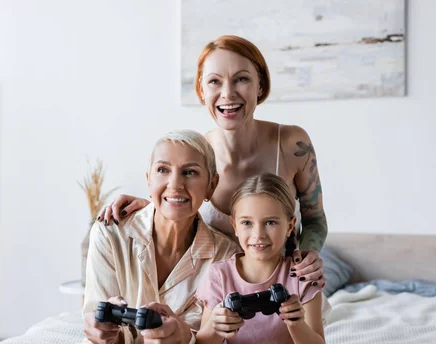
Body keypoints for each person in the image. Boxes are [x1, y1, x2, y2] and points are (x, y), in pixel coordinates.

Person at [99, 35, 327, 288]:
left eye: (241, 79)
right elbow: (180, 214)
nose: (227, 94)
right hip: (213, 298)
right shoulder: (196, 155)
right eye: (214, 82)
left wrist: (307, 254)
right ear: (201, 90)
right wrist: (148, 206)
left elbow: (315, 219)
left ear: (260, 85)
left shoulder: (292, 144)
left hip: (283, 288)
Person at [64, 130, 240, 344]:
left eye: (190, 172)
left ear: (211, 186)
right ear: (148, 180)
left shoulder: (225, 256)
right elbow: (94, 316)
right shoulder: (111, 233)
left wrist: (184, 340)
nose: (175, 185)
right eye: (162, 170)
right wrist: (103, 332)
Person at [195, 173, 326, 344]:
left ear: (290, 225)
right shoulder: (220, 275)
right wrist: (216, 325)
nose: (258, 235)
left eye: (271, 222)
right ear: (234, 225)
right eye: (247, 223)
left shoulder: (302, 278)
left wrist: (296, 324)